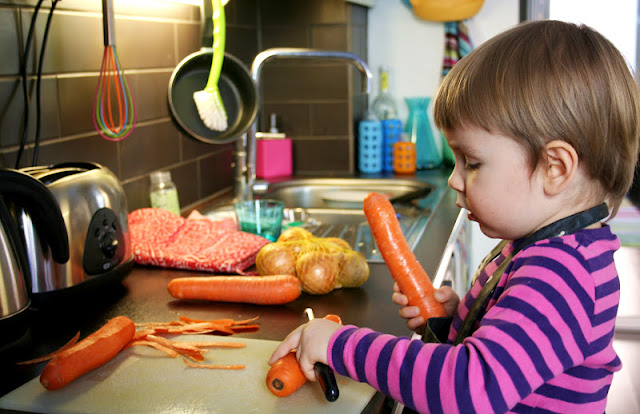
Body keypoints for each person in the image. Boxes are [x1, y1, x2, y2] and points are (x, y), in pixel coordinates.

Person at [269, 20, 640, 413]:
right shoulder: (545, 249)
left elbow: (468, 387)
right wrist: (460, 323)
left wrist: (339, 345)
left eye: (472, 162)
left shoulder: (561, 274)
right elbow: (510, 357)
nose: (454, 179)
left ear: (556, 168)